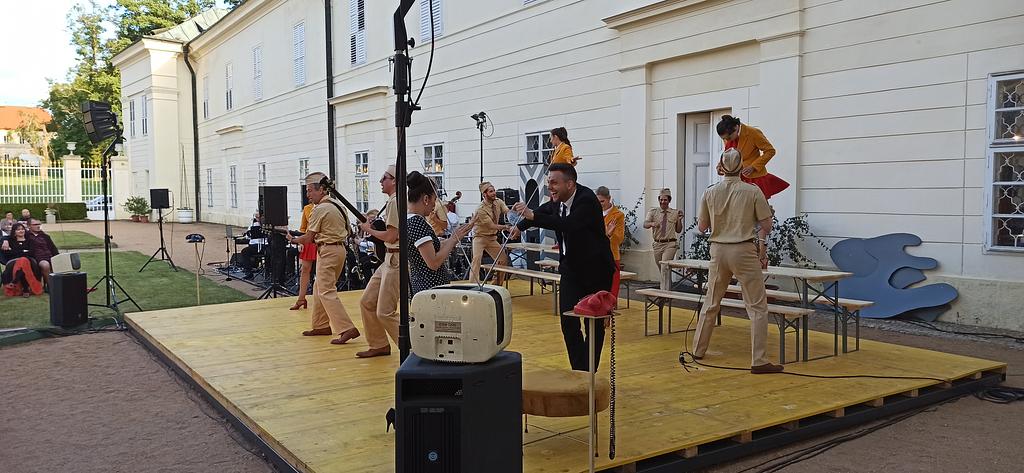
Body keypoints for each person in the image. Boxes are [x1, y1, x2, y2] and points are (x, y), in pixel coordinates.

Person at [511, 163, 615, 371]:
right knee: (568, 320)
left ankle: (588, 372)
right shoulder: (557, 201)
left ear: (570, 184)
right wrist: (519, 226)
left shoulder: (587, 200)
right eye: (548, 182)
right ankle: (580, 371)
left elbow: (568, 224)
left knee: (593, 323)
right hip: (571, 269)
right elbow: (543, 211)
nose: (550, 187)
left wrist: (533, 216)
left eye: (554, 182)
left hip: (596, 270)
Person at [692, 149, 782, 374]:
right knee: (757, 306)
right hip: (743, 250)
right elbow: (767, 226)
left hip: (718, 250)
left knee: (711, 301)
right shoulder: (753, 191)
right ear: (742, 166)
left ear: (721, 167)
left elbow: (702, 227)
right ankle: (758, 360)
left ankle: (697, 349)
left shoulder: (710, 191)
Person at [286, 173, 360, 345]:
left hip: (328, 250)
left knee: (326, 290)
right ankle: (321, 325)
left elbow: (308, 237)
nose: (308, 195)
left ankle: (346, 328)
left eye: (310, 190)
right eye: (307, 191)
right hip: (338, 249)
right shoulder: (338, 205)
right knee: (319, 287)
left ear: (321, 190)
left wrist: (293, 240)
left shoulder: (319, 209)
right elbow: (348, 231)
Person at [356, 165, 402, 358]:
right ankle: (379, 344)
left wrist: (368, 229)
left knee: (385, 312)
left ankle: (413, 348)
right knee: (367, 301)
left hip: (396, 259)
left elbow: (391, 236)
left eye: (384, 178)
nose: (380, 181)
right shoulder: (393, 201)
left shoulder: (395, 201)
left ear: (394, 180)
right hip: (389, 258)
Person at [406, 171, 475, 294]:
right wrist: (453, 239)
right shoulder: (416, 222)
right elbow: (433, 262)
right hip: (430, 288)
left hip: (426, 286)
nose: (434, 204)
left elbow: (431, 249)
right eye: (434, 199)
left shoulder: (411, 220)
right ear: (426, 199)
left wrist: (455, 237)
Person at [716, 115, 789, 200]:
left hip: (753, 178)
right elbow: (728, 154)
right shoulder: (728, 135)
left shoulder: (753, 132)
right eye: (724, 139)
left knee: (759, 207)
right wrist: (720, 166)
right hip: (736, 179)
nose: (727, 140)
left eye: (728, 138)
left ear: (736, 128)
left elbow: (770, 151)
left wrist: (753, 166)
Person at [469, 181, 511, 285]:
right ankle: (473, 285)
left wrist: (514, 212)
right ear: (484, 194)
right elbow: (492, 226)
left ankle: (496, 284)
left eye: (494, 190)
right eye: (491, 191)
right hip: (480, 237)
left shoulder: (498, 202)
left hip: (492, 238)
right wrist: (506, 227)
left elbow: (508, 212)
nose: (494, 193)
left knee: (503, 259)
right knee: (476, 260)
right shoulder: (480, 209)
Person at [595, 186, 625, 299]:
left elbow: (619, 239)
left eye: (602, 201)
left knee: (611, 288)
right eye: (598, 201)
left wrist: (610, 234)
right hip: (596, 256)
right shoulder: (594, 213)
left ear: (609, 199)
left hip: (611, 256)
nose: (600, 204)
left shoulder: (618, 215)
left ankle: (610, 308)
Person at [643, 188, 683, 269]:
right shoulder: (653, 212)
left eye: (665, 200)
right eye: (661, 200)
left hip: (670, 244)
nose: (662, 202)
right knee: (662, 270)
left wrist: (679, 220)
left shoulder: (675, 213)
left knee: (665, 267)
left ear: (669, 200)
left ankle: (665, 278)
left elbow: (678, 230)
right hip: (657, 244)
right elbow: (645, 224)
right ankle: (666, 278)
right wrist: (652, 224)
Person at [2, 223, 43, 297]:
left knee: (24, 261)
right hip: (14, 262)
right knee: (23, 261)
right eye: (18, 230)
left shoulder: (30, 241)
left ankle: (15, 282)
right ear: (14, 231)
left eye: (22, 229)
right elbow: (8, 253)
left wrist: (17, 252)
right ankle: (25, 289)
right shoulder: (10, 241)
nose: (21, 231)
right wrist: (24, 251)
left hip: (29, 261)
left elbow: (32, 252)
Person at [290, 202, 317, 310]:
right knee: (305, 270)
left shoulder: (326, 207)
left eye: (310, 193)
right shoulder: (307, 208)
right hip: (308, 241)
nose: (308, 195)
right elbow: (303, 228)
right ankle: (301, 299)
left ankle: (321, 299)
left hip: (321, 241)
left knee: (320, 271)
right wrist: (301, 242)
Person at [24, 219, 58, 286]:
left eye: (39, 224)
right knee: (45, 265)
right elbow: (11, 236)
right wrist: (5, 240)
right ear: (28, 226)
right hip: (37, 258)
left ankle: (63, 285)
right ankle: (51, 286)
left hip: (49, 256)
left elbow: (53, 249)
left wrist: (57, 257)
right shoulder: (26, 236)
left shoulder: (45, 236)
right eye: (35, 224)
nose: (38, 226)